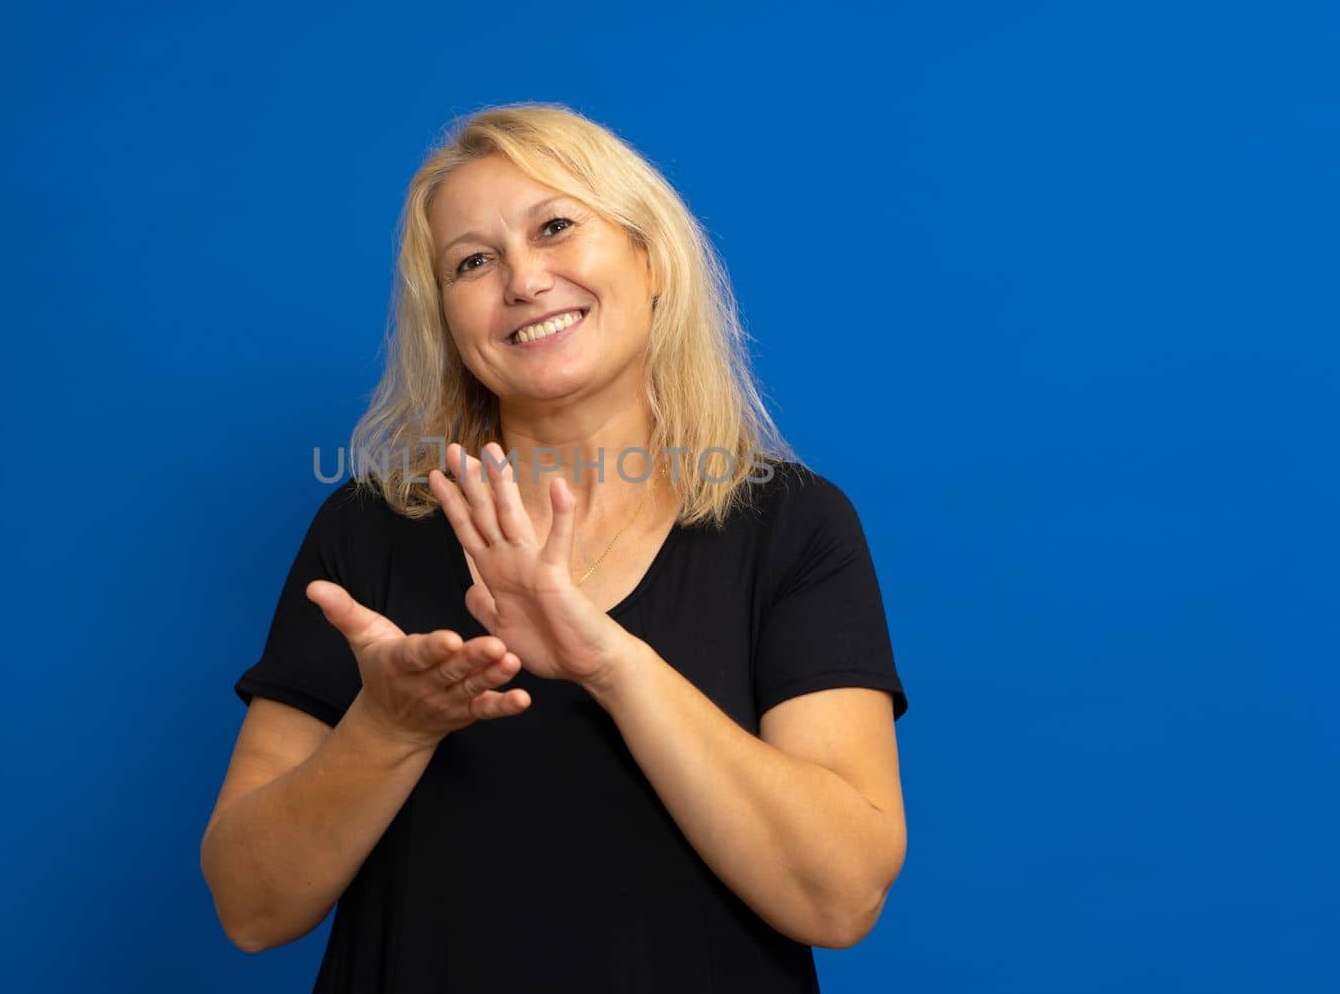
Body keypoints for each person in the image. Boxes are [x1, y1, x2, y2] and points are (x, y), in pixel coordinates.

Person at [200, 102, 909, 993]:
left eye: (557, 227)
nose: (524, 280)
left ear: (651, 259)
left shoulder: (793, 526)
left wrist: (609, 660)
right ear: (449, 322)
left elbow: (839, 898)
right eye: (472, 262)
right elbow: (250, 907)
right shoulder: (368, 528)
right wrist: (388, 727)